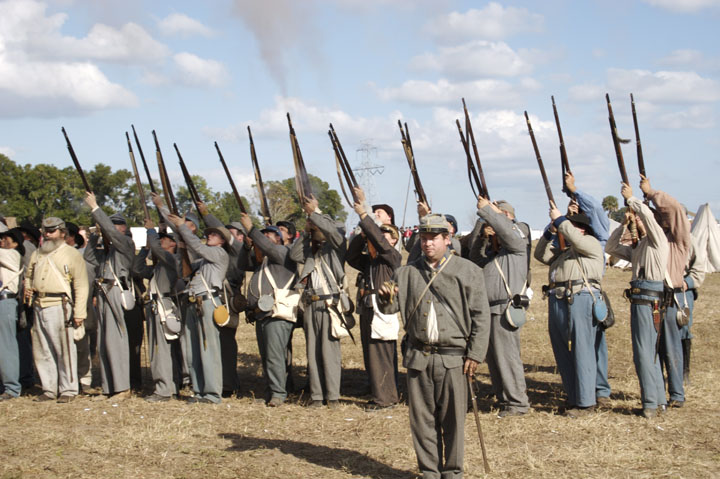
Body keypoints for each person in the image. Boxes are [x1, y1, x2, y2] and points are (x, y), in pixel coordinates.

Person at [378, 213, 490, 479]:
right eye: (424, 238)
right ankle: (429, 473)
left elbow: (481, 317)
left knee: (453, 423)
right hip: (418, 357)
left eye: (433, 238)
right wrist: (384, 298)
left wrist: (475, 354)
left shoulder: (468, 271)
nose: (428, 243)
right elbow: (392, 306)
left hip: (454, 360)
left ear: (447, 239)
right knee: (422, 422)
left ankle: (452, 473)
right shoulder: (405, 273)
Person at [606, 182, 670, 418]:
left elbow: (648, 219)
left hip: (649, 300)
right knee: (647, 353)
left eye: (641, 221)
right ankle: (658, 400)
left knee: (645, 353)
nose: (639, 223)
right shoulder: (640, 247)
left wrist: (632, 199)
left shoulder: (657, 240)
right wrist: (624, 223)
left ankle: (651, 403)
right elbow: (611, 247)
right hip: (640, 300)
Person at [535, 202, 604, 417]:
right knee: (562, 351)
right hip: (558, 299)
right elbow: (540, 254)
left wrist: (561, 219)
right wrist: (550, 230)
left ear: (581, 230)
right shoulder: (564, 253)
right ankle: (573, 396)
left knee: (583, 350)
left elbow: (576, 238)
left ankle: (585, 402)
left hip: (580, 297)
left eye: (574, 226)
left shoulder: (590, 244)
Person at [469, 197, 530, 417]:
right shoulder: (493, 254)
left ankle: (518, 403)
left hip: (505, 308)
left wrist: (490, 213)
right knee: (494, 360)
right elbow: (474, 257)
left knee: (507, 357)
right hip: (488, 309)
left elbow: (509, 233)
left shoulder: (518, 241)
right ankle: (505, 399)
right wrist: (482, 234)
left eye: (502, 216)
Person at [289, 195, 348, 409]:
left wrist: (314, 213)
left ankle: (332, 396)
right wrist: (305, 232)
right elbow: (295, 255)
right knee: (312, 352)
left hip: (329, 304)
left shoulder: (336, 248)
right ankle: (316, 396)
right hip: (311, 304)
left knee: (330, 353)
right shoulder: (309, 251)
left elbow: (333, 233)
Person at [165, 210, 229, 404]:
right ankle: (199, 390)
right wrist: (177, 226)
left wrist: (182, 226)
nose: (210, 236)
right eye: (209, 234)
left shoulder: (218, 253)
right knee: (193, 351)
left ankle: (212, 393)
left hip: (208, 303)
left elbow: (195, 245)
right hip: (194, 303)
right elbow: (188, 256)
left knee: (208, 349)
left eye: (215, 235)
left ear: (222, 241)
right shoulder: (203, 260)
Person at [346, 186, 402, 410]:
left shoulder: (392, 256)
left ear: (394, 240)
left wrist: (364, 216)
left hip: (383, 309)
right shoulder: (371, 262)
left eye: (387, 235)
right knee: (371, 353)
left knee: (382, 354)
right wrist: (362, 235)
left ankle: (386, 398)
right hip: (368, 307)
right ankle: (377, 389)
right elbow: (350, 257)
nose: (382, 238)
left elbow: (380, 241)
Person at [24, 218, 88, 403]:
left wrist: (79, 313)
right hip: (40, 303)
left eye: (52, 231)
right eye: (46, 231)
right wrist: (29, 287)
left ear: (62, 233)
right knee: (42, 349)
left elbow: (81, 285)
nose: (48, 234)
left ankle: (68, 388)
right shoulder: (38, 253)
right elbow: (29, 274)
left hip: (59, 303)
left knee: (64, 349)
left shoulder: (71, 254)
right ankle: (49, 388)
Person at [641, 177, 690, 408]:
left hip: (669, 299)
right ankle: (659, 391)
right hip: (651, 300)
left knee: (671, 349)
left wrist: (651, 193)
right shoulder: (654, 242)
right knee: (655, 350)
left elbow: (675, 209)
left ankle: (677, 394)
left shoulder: (678, 240)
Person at [564, 172, 612, 407]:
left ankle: (600, 389)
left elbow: (595, 210)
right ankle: (583, 387)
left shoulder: (597, 235)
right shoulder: (570, 234)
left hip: (590, 291)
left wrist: (575, 191)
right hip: (569, 294)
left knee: (595, 344)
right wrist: (566, 216)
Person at [239, 215, 297, 406]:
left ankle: (279, 394)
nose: (264, 238)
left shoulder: (283, 252)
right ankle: (271, 389)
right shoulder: (262, 259)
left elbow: (270, 247)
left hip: (276, 312)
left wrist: (252, 230)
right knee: (267, 356)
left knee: (274, 356)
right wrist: (248, 245)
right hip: (261, 312)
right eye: (262, 235)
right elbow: (242, 264)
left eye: (268, 235)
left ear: (279, 238)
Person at [83, 193, 136, 401]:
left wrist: (96, 209)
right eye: (110, 224)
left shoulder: (125, 244)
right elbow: (89, 258)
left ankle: (122, 388)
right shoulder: (107, 249)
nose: (113, 228)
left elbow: (114, 235)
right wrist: (96, 234)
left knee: (116, 340)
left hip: (115, 290)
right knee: (104, 342)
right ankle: (108, 387)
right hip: (102, 291)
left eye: (117, 225)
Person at [139, 219, 182, 402]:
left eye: (164, 239)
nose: (160, 241)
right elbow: (137, 269)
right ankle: (169, 386)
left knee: (160, 351)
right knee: (163, 350)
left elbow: (157, 250)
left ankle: (164, 389)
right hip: (157, 306)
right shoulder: (160, 263)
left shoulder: (172, 259)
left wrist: (151, 232)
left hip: (163, 307)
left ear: (173, 243)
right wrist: (145, 248)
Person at [0, 228, 25, 401]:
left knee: (6, 346)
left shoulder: (13, 255)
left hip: (5, 301)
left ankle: (12, 387)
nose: (2, 241)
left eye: (4, 238)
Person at [681, 234, 705, 385]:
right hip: (661, 290)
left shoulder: (689, 240)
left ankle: (684, 372)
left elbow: (698, 270)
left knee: (684, 329)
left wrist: (686, 283)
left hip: (684, 291)